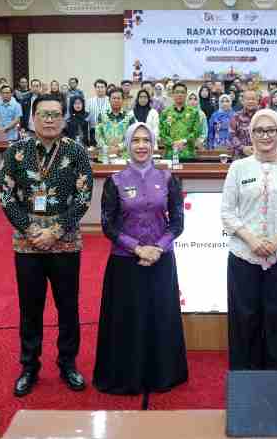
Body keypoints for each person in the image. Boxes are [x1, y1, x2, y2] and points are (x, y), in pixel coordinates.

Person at [0, 94, 94, 397]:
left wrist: (54, 231)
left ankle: (68, 364)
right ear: (32, 117)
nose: (49, 119)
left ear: (64, 118)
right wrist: (30, 229)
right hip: (27, 244)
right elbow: (5, 196)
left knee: (68, 307)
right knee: (30, 309)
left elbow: (83, 198)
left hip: (65, 242)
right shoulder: (15, 151)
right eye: (43, 114)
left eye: (55, 114)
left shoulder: (77, 152)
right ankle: (29, 366)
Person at [94, 122, 188, 394]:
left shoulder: (168, 179)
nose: (141, 145)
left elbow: (178, 222)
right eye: (135, 140)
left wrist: (157, 247)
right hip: (125, 262)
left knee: (160, 316)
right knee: (128, 319)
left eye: (146, 140)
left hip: (162, 259)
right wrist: (137, 248)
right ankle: (127, 377)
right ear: (127, 144)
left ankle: (162, 375)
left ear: (154, 144)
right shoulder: (115, 181)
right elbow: (107, 226)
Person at [221, 109, 277, 370]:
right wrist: (252, 240)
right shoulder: (238, 168)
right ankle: (243, 376)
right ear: (251, 134)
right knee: (244, 316)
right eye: (260, 130)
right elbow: (227, 211)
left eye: (271, 130)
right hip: (243, 255)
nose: (266, 135)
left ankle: (274, 377)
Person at [159, 83, 201, 161]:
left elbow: (197, 131)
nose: (180, 94)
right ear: (172, 94)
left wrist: (184, 141)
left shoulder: (194, 112)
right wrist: (173, 143)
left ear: (186, 95)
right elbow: (162, 132)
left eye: (182, 92)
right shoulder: (165, 113)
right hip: (170, 154)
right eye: (177, 92)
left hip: (188, 154)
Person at [96, 90, 136, 159]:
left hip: (124, 155)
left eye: (118, 98)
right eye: (114, 98)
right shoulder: (102, 116)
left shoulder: (130, 117)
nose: (116, 100)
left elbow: (132, 136)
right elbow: (98, 135)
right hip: (105, 154)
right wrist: (107, 148)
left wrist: (119, 147)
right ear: (109, 100)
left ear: (123, 100)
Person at [229, 89, 260, 159]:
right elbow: (231, 136)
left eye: (253, 99)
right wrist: (243, 148)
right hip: (240, 155)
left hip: (259, 155)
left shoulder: (262, 116)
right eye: (248, 99)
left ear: (257, 101)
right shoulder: (236, 116)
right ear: (242, 101)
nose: (250, 101)